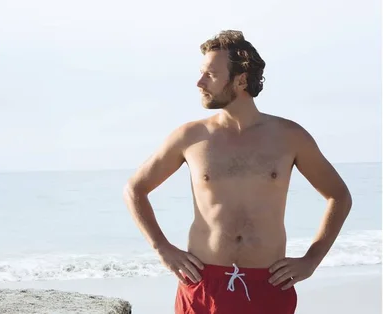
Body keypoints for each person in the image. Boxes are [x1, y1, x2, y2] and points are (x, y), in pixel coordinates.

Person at [122, 30, 353, 314]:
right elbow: (135, 189)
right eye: (201, 73)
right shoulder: (190, 137)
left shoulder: (290, 137)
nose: (199, 82)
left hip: (268, 285)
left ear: (241, 79)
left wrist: (311, 260)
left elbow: (339, 195)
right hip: (204, 285)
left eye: (211, 75)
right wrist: (162, 248)